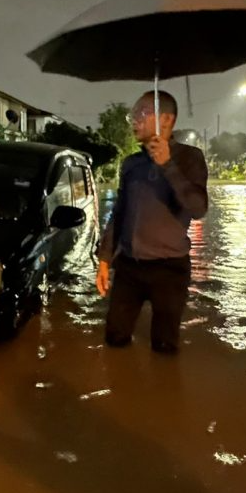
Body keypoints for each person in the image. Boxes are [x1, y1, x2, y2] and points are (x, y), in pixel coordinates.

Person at [95, 91, 208, 354]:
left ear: (166, 119)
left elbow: (198, 208)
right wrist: (104, 260)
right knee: (115, 339)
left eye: (142, 113)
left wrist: (167, 165)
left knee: (164, 347)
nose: (134, 120)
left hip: (170, 270)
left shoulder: (190, 158)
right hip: (129, 268)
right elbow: (119, 214)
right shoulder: (131, 164)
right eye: (132, 115)